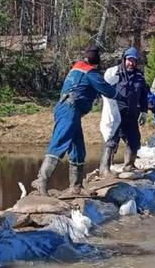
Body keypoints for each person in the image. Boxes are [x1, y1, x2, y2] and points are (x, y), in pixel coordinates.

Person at [31, 46, 119, 196]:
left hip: (69, 109)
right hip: (69, 109)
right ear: (96, 62)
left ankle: (76, 187)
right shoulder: (90, 73)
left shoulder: (76, 69)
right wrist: (122, 95)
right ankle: (41, 180)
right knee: (60, 142)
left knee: (78, 148)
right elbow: (107, 90)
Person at [99, 47, 149, 178]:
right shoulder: (114, 73)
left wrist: (144, 111)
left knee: (134, 141)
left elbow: (144, 95)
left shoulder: (139, 76)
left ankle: (129, 165)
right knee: (111, 141)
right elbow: (105, 91)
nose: (131, 63)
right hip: (116, 114)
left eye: (134, 60)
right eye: (129, 60)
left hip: (132, 115)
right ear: (124, 59)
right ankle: (105, 168)